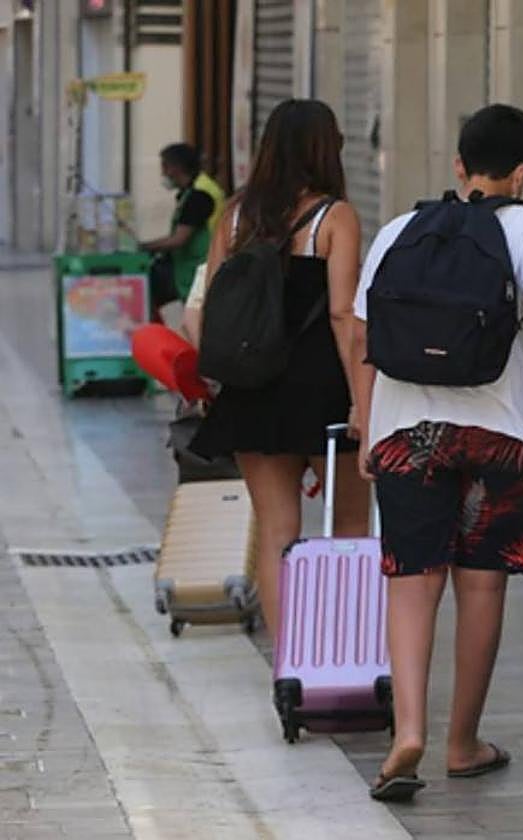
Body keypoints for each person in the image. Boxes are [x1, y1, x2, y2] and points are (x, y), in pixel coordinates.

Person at [350, 104, 523, 802]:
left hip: (407, 429)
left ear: (459, 165)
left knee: (412, 581)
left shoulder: (400, 229)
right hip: (498, 430)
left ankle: (408, 729)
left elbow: (362, 335)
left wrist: (366, 421)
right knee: (481, 582)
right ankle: (462, 743)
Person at [190, 100, 371, 637]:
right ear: (324, 148)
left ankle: (289, 668)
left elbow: (209, 305)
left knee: (276, 531)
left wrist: (215, 377)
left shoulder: (237, 216)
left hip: (253, 387)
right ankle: (342, 650)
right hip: (323, 389)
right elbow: (344, 315)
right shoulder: (334, 217)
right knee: (352, 524)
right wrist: (364, 398)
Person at [140, 144, 217, 316]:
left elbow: (179, 239)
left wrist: (145, 247)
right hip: (185, 273)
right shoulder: (186, 195)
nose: (163, 174)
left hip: (196, 272)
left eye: (165, 167)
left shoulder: (198, 198)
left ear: (176, 167)